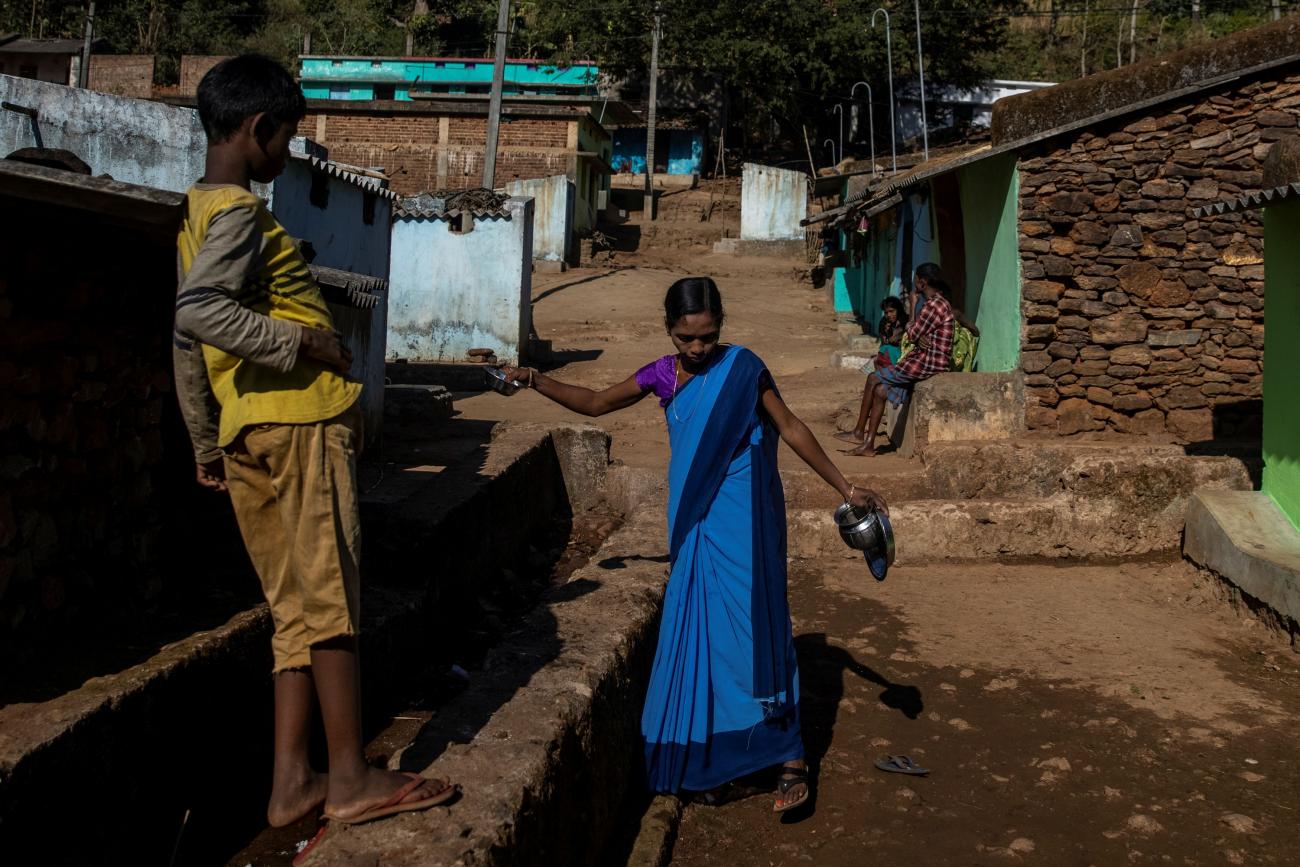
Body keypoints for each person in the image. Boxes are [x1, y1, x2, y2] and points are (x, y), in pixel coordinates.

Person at [172, 55, 456, 831]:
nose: (288, 154)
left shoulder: (194, 212)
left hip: (246, 432)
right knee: (330, 601)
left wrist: (206, 436)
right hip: (300, 426)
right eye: (288, 139)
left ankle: (292, 782)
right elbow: (202, 315)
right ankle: (352, 776)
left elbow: (183, 337)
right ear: (260, 130)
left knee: (294, 611)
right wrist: (308, 345)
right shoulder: (239, 213)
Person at [501, 277, 887, 813]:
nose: (699, 349)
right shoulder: (661, 375)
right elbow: (593, 403)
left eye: (708, 336)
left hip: (746, 523)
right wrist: (532, 379)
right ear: (669, 331)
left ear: (721, 327)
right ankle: (714, 753)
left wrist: (847, 487)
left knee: (758, 630)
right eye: (687, 338)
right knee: (704, 635)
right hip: (694, 527)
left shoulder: (745, 369)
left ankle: (788, 755)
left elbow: (792, 426)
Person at [835, 262, 958, 457]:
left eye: (916, 279)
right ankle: (868, 445)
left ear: (922, 282)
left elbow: (912, 331)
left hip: (929, 361)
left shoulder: (934, 305)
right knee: (881, 390)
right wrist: (917, 333)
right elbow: (917, 333)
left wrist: (913, 315)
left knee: (873, 378)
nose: (914, 282)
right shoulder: (936, 304)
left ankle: (859, 432)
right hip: (925, 358)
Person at [871, 296, 909, 370]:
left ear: (898, 310)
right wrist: (887, 332)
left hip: (904, 354)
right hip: (890, 352)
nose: (888, 315)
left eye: (892, 311)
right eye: (886, 312)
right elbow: (884, 343)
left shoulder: (906, 320)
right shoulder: (883, 322)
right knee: (878, 358)